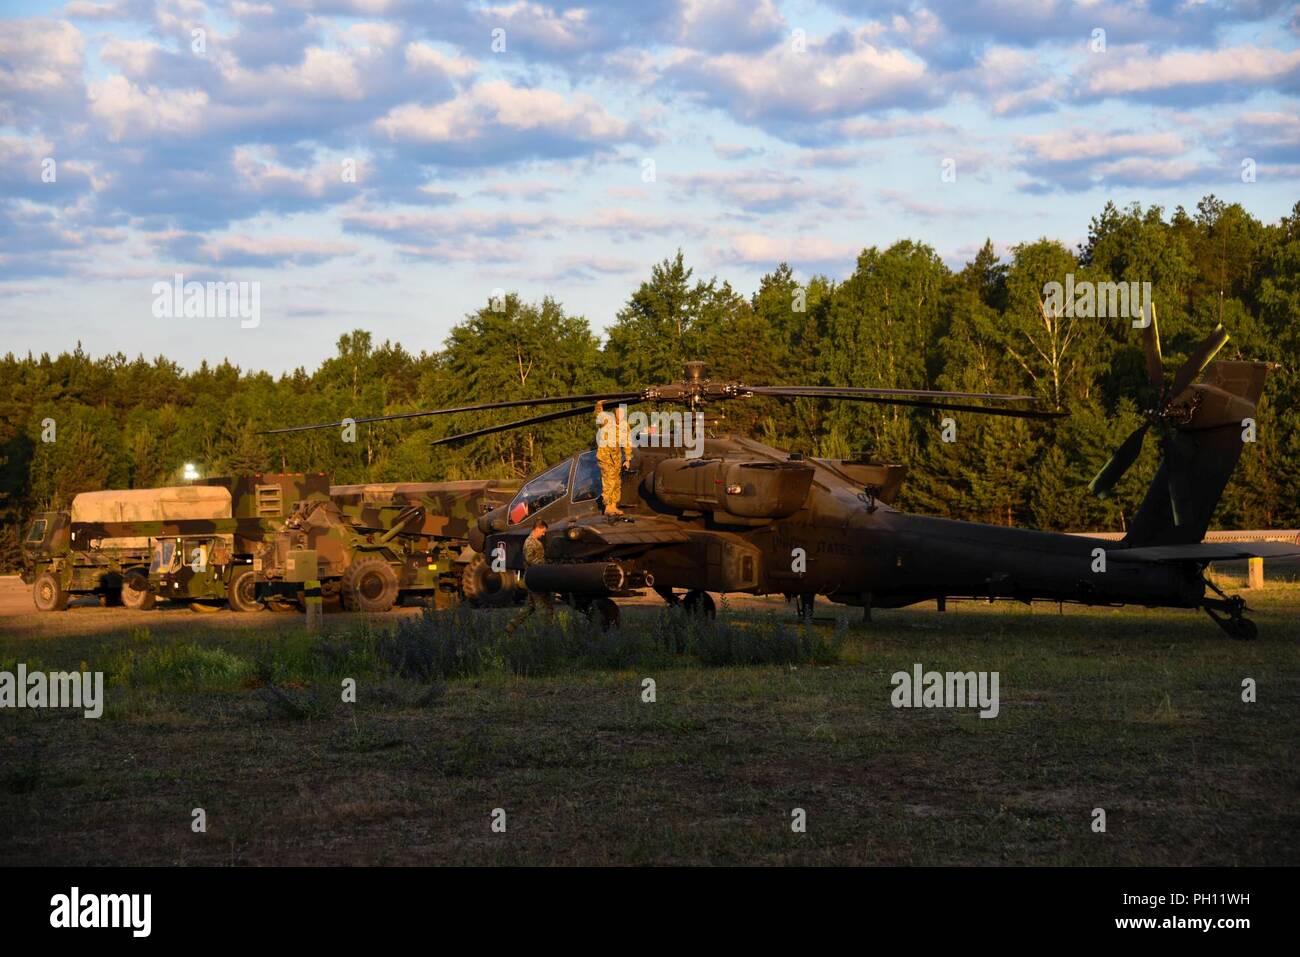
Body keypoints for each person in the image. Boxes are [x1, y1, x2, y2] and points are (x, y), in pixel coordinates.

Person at [506, 520, 552, 634]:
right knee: (544, 606)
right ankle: (546, 632)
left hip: (536, 577)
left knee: (530, 606)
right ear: (537, 528)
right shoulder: (530, 542)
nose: (543, 534)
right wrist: (546, 566)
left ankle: (511, 626)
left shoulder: (534, 541)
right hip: (535, 578)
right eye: (543, 531)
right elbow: (530, 559)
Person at [594, 400, 633, 516]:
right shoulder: (607, 420)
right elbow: (598, 415)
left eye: (622, 413)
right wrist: (599, 405)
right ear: (614, 412)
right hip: (605, 457)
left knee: (616, 482)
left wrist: (628, 459)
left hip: (616, 457)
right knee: (609, 481)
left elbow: (627, 442)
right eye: (618, 412)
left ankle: (614, 506)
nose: (620, 415)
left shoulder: (625, 425)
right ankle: (607, 506)